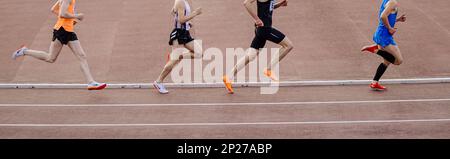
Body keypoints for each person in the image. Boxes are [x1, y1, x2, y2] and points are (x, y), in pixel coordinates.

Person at [11, 0, 107, 90]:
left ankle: (91, 82)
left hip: (68, 30)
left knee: (81, 56)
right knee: (50, 58)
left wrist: (71, 20)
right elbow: (62, 14)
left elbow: (53, 9)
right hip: (62, 30)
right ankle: (24, 51)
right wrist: (76, 16)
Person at [222, 0, 293, 94]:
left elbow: (269, 7)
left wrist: (280, 4)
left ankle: (228, 77)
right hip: (265, 29)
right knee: (288, 46)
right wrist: (256, 19)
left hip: (261, 29)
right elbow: (246, 3)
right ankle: (268, 69)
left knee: (251, 55)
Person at [153, 0, 203, 94]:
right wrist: (195, 13)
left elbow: (173, 12)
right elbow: (181, 20)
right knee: (173, 61)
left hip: (185, 33)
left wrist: (187, 23)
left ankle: (180, 56)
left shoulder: (183, 1)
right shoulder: (180, 2)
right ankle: (158, 81)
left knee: (199, 53)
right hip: (178, 34)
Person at [361, 0, 406, 91]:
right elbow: (383, 16)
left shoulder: (386, 1)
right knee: (398, 61)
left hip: (382, 34)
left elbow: (387, 17)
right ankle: (375, 49)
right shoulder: (393, 2)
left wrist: (397, 20)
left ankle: (374, 83)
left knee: (387, 61)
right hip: (384, 37)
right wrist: (390, 28)